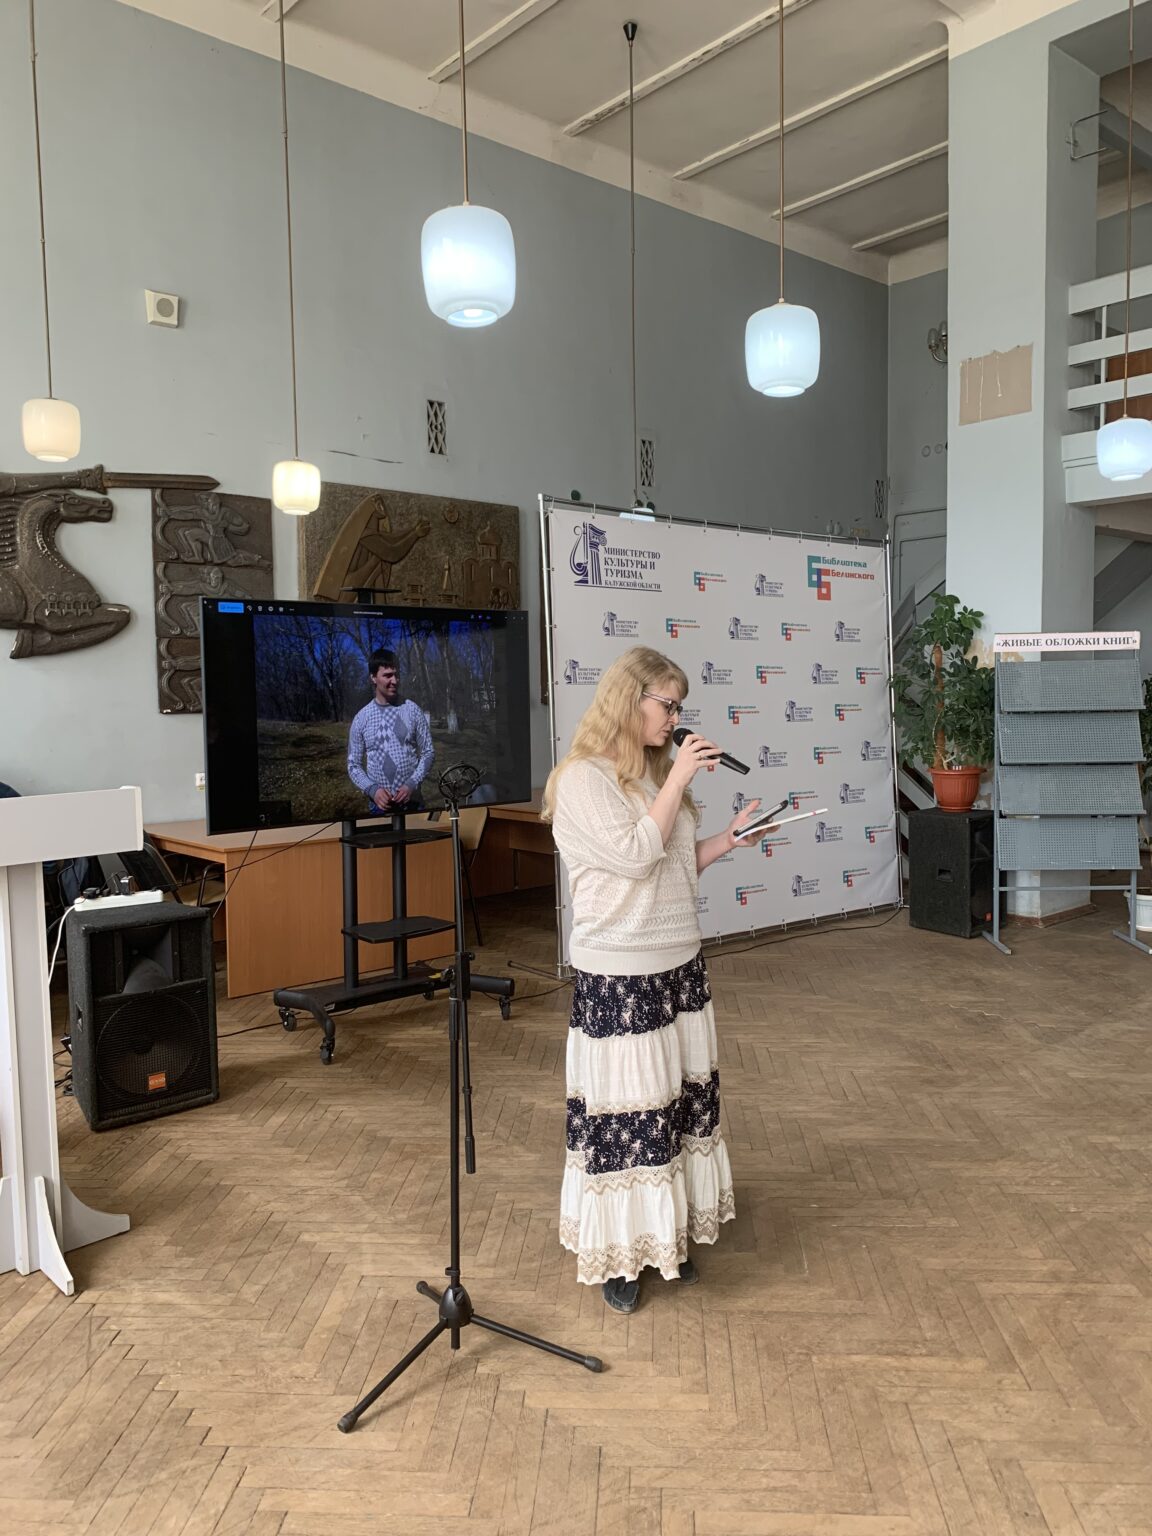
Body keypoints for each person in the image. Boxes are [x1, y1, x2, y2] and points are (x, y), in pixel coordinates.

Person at [542, 646, 769, 1314]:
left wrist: (728, 839)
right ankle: (622, 1256)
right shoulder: (584, 780)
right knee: (629, 1120)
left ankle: (666, 1236)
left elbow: (673, 863)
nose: (675, 718)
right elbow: (636, 856)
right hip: (623, 976)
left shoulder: (653, 776)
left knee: (674, 1109)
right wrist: (678, 781)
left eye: (678, 706)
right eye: (666, 704)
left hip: (679, 966)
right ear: (627, 699)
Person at [347, 648, 435, 814]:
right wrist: (372, 790)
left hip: (414, 803)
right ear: (373, 677)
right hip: (379, 807)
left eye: (396, 675)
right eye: (388, 675)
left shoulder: (412, 710)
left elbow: (428, 752)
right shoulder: (361, 718)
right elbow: (353, 765)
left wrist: (412, 784)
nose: (394, 681)